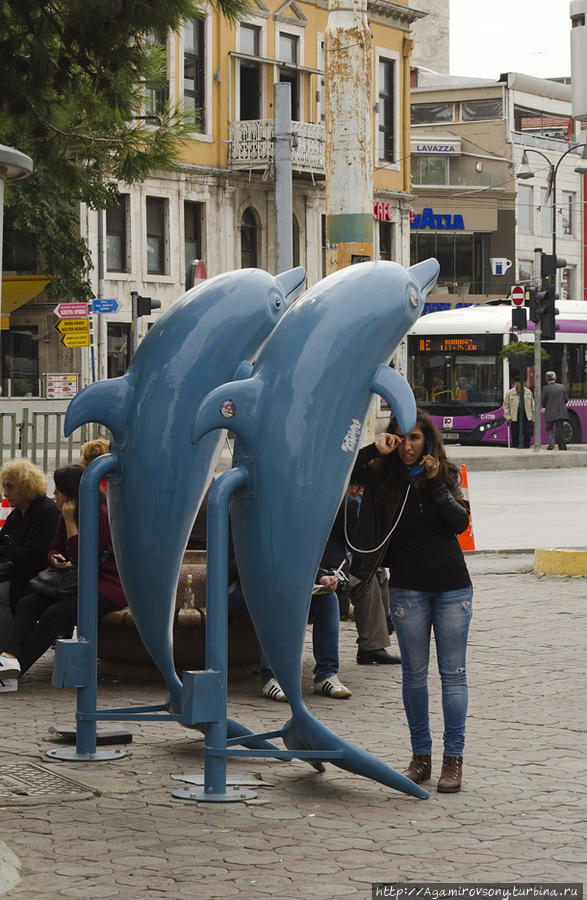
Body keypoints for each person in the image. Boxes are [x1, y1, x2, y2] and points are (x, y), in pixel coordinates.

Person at [351, 410, 472, 793]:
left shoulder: (446, 473)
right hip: (407, 589)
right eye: (400, 437)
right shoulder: (382, 475)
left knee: (453, 676)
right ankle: (421, 756)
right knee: (414, 676)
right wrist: (375, 448)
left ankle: (454, 761)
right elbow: (344, 471)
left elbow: (460, 523)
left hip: (452, 587)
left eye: (415, 438)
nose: (407, 445)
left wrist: (435, 483)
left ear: (429, 441)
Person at [0, 464, 126, 687]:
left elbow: (84, 558)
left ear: (71, 490)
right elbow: (54, 546)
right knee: (29, 603)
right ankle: (8, 660)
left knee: (54, 614)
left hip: (106, 585)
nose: (54, 493)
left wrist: (70, 523)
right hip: (74, 581)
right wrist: (54, 557)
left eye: (59, 488)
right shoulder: (66, 512)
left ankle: (14, 673)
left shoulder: (101, 515)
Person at [0, 461, 60, 640]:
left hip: (37, 577)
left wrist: (7, 552)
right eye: (4, 487)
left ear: (26, 486)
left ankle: (6, 650)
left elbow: (36, 555)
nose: (5, 493)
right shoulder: (17, 514)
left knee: (2, 595)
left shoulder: (46, 512)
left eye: (10, 487)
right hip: (17, 573)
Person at [503, 377, 534, 448]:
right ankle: (516, 448)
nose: (521, 384)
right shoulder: (510, 393)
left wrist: (533, 417)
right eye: (519, 383)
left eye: (522, 383)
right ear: (515, 383)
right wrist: (507, 416)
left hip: (526, 415)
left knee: (528, 434)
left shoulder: (528, 392)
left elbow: (533, 405)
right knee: (515, 435)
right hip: (515, 416)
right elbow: (506, 406)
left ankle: (526, 447)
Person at [542, 371, 569, 451]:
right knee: (560, 430)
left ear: (546, 380)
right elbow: (566, 400)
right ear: (555, 378)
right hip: (560, 413)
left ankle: (551, 443)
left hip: (549, 412)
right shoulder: (562, 387)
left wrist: (546, 406)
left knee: (549, 429)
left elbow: (542, 401)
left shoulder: (545, 388)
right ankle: (563, 447)